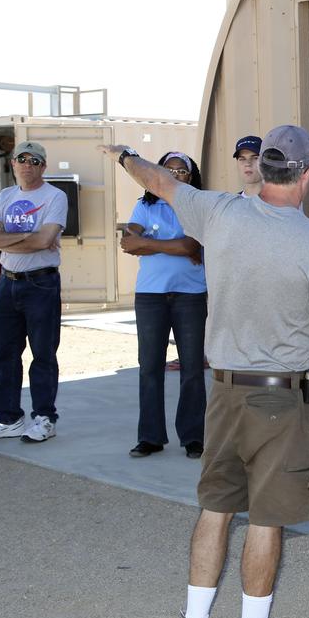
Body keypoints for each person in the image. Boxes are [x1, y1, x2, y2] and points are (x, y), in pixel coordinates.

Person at [103, 125, 309, 618]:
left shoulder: (217, 211)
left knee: (216, 508)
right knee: (266, 519)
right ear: (307, 174)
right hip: (285, 401)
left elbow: (157, 180)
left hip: (223, 393)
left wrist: (125, 154)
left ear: (263, 169)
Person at [0, 141, 67, 443]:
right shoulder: (5, 196)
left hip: (41, 283)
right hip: (7, 281)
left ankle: (44, 418)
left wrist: (9, 238)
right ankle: (8, 418)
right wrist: (29, 234)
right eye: (22, 159)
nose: (28, 165)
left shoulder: (55, 197)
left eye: (35, 160)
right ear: (13, 164)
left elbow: (45, 242)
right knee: (3, 354)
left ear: (43, 166)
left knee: (42, 354)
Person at [121, 152, 208, 459]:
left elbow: (190, 245)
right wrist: (174, 247)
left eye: (181, 171)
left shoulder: (197, 204)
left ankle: (193, 437)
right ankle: (150, 437)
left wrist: (151, 244)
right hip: (150, 296)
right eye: (168, 170)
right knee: (150, 368)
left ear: (191, 176)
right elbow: (129, 242)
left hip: (191, 295)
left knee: (193, 369)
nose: (174, 175)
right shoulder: (144, 205)